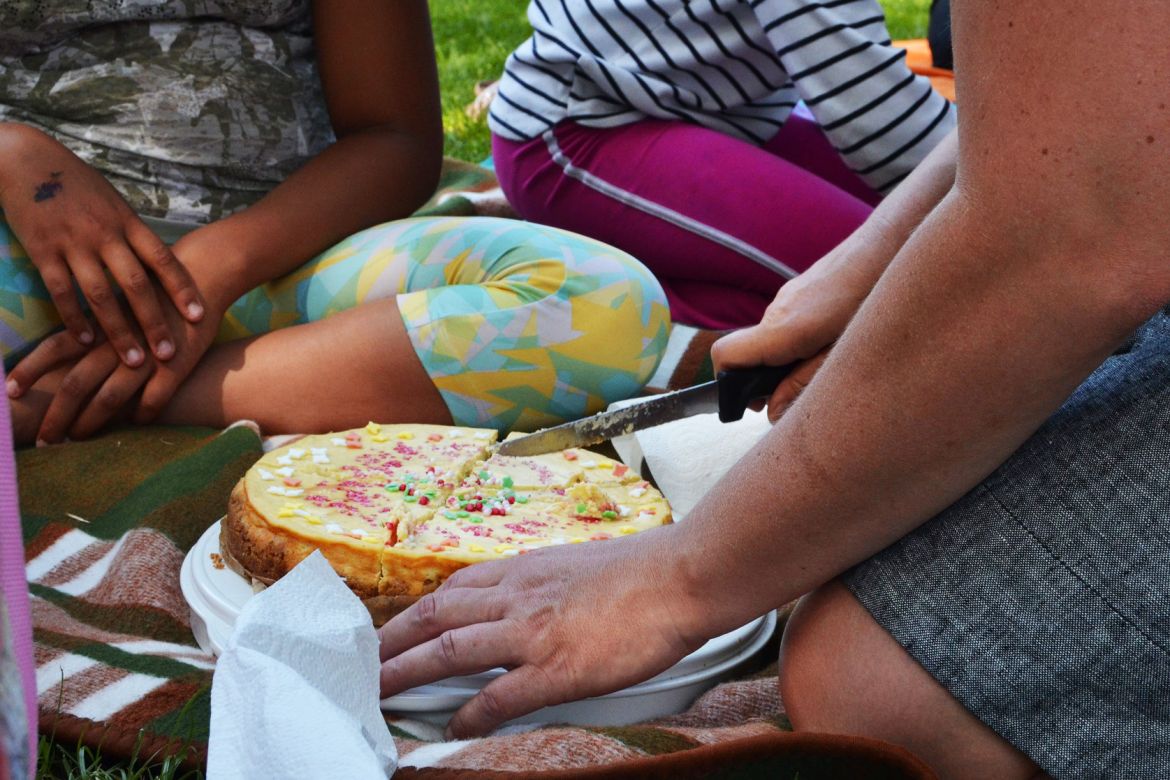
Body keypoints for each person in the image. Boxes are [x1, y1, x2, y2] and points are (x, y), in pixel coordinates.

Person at [377, 2, 1170, 777]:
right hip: (589, 133)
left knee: (868, 678)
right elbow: (1084, 107)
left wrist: (676, 578)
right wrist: (874, 258)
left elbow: (1080, 219)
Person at [0, 1, 670, 445]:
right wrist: (10, 150)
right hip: (35, 263)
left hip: (289, 262)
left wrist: (211, 271)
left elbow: (395, 138)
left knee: (605, 304)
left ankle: (87, 392)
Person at [488, 0, 956, 329]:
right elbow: (880, 122)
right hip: (578, 131)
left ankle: (627, 258)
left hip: (703, 112)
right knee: (908, 290)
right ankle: (577, 304)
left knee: (912, 256)